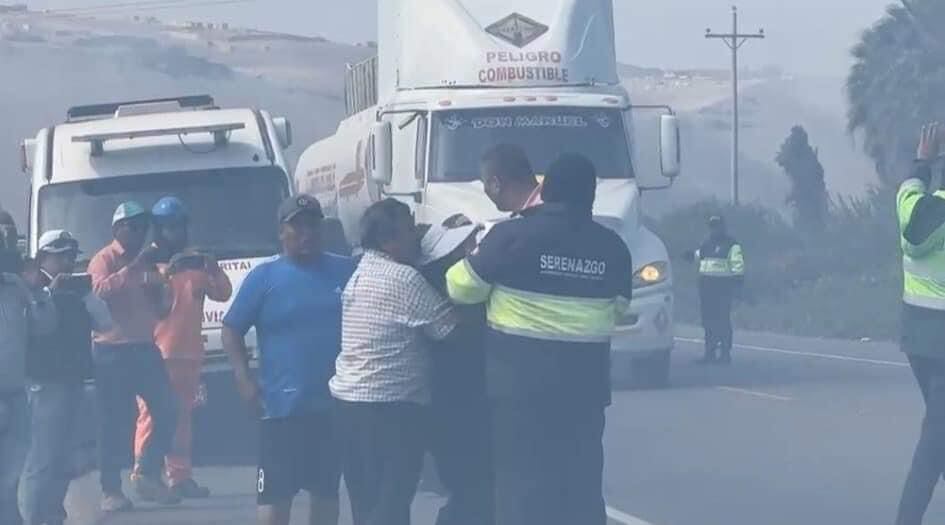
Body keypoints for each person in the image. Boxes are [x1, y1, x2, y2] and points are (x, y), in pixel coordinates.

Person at [446, 153, 633, 525]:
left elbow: (460, 287)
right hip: (584, 394)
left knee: (521, 489)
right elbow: (620, 310)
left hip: (520, 392)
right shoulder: (614, 249)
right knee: (579, 489)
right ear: (590, 195)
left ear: (546, 191)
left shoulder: (512, 235)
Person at [222, 194, 354, 525]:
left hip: (334, 407)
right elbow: (231, 329)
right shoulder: (264, 277)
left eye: (313, 224)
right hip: (281, 411)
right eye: (297, 226)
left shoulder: (346, 269)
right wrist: (244, 379)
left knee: (325, 495)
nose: (306, 232)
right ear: (282, 232)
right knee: (274, 502)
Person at [331, 199, 458, 525]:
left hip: (349, 406)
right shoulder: (403, 278)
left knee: (367, 505)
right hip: (390, 410)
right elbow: (448, 329)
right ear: (389, 241)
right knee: (391, 503)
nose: (416, 236)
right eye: (409, 230)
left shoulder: (361, 271)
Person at [132, 197, 232, 499]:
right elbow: (143, 297)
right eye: (167, 228)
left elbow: (223, 293)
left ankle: (180, 476)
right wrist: (166, 273)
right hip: (156, 353)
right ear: (159, 230)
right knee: (152, 415)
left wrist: (213, 269)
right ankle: (143, 473)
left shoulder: (196, 264)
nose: (173, 233)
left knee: (182, 417)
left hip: (189, 354)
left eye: (178, 227)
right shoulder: (146, 262)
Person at [87, 201, 180, 511]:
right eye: (134, 226)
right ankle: (110, 490)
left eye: (144, 227)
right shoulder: (104, 258)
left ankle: (148, 474)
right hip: (111, 352)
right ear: (118, 228)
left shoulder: (148, 263)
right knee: (112, 423)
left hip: (144, 348)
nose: (141, 232)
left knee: (168, 409)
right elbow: (100, 290)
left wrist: (163, 290)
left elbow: (161, 307)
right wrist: (135, 266)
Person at [19, 230, 113, 525]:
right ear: (44, 257)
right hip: (44, 384)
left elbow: (106, 323)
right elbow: (27, 327)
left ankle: (52, 515)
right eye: (60, 256)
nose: (67, 262)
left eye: (70, 255)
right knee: (42, 459)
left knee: (66, 458)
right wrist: (49, 295)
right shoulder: (30, 287)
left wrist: (86, 295)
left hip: (75, 383)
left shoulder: (79, 290)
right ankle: (32, 517)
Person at [418, 216, 494, 525]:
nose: (473, 248)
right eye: (465, 244)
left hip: (474, 403)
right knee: (470, 490)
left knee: (475, 490)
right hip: (453, 407)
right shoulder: (440, 288)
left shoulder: (471, 285)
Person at [895, 122, 945, 525]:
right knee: (936, 443)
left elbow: (911, 189)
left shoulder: (911, 204)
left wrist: (922, 162)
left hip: (918, 339)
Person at [1, 217, 57, 525]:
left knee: (11, 479)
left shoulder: (14, 286)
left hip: (15, 395)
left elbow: (45, 328)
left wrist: (38, 294)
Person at [689, 215, 745, 365]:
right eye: (712, 226)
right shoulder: (706, 244)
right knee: (708, 322)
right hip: (707, 288)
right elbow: (697, 257)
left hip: (723, 288)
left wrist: (738, 284)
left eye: (717, 226)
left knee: (723, 321)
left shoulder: (732, 245)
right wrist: (687, 255)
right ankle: (710, 353)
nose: (714, 229)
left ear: (723, 227)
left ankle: (725, 354)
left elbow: (738, 265)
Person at [480, 144, 543, 215]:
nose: (485, 190)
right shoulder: (553, 203)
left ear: (496, 184)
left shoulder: (534, 219)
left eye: (486, 183)